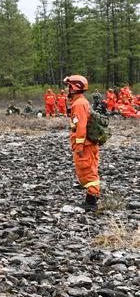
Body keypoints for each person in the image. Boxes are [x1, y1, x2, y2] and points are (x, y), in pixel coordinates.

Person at [64, 75, 101, 211]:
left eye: (69, 86)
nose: (67, 89)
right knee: (90, 170)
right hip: (87, 144)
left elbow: (80, 127)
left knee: (87, 171)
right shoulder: (80, 102)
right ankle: (93, 197)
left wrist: (79, 146)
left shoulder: (79, 104)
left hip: (85, 146)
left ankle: (91, 203)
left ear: (74, 87)